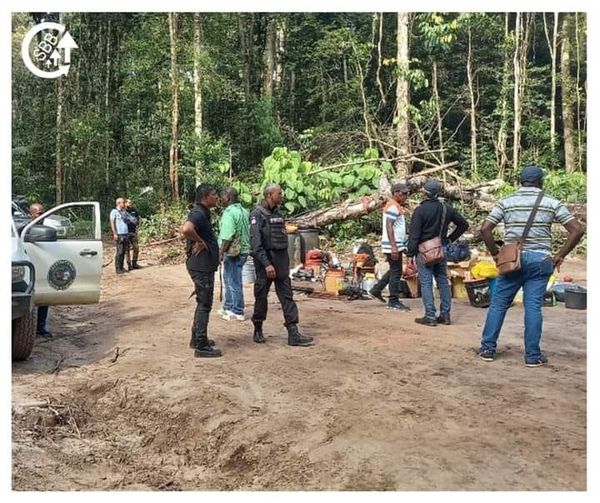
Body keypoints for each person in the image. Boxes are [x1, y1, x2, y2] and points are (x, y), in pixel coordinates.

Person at [478, 166, 584, 367]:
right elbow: (577, 229)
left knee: (499, 304)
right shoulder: (552, 202)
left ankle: (487, 349)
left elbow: (485, 229)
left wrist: (495, 254)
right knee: (533, 307)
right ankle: (532, 356)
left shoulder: (506, 202)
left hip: (512, 261)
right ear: (541, 182)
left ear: (521, 181)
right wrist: (559, 255)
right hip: (541, 260)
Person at [250, 184, 313, 346]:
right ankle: (258, 328)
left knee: (287, 296)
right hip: (266, 262)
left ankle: (293, 332)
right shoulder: (257, 215)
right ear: (270, 195)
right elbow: (256, 245)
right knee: (261, 297)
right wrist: (266, 264)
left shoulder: (278, 213)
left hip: (281, 261)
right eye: (279, 193)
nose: (282, 195)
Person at [407, 179, 469, 327]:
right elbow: (464, 224)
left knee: (427, 282)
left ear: (425, 193)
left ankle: (430, 316)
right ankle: (445, 315)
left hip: (424, 251)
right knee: (443, 281)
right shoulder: (447, 208)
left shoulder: (420, 210)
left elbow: (414, 235)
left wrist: (410, 254)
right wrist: (449, 239)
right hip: (440, 249)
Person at [181, 184, 222, 358]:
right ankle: (201, 346)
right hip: (200, 266)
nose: (217, 197)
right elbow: (186, 229)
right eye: (214, 195)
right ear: (205, 197)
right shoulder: (198, 213)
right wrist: (201, 241)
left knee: (202, 303)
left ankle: (196, 339)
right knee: (205, 304)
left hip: (203, 265)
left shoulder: (203, 212)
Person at [368, 182, 411, 311]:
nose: (406, 196)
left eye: (407, 193)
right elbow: (389, 225)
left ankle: (377, 289)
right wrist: (393, 246)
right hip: (393, 244)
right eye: (403, 193)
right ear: (396, 193)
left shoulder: (395, 205)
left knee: (394, 269)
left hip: (395, 244)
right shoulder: (393, 206)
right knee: (396, 272)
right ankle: (393, 300)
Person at [218, 187, 251, 321]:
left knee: (233, 281)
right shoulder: (244, 211)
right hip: (243, 250)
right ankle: (228, 306)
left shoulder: (229, 213)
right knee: (229, 278)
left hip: (233, 252)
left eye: (222, 197)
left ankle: (237, 310)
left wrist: (220, 252)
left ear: (228, 197)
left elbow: (228, 235)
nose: (220, 199)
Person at [29, 203, 52, 338]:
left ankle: (41, 327)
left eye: (43, 212)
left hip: (43, 268)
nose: (42, 216)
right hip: (27, 269)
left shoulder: (46, 229)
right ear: (30, 214)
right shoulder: (23, 229)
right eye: (38, 213)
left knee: (45, 297)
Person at [109, 198, 131, 275]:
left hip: (125, 233)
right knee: (120, 251)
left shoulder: (124, 211)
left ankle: (121, 267)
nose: (124, 204)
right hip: (119, 234)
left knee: (124, 251)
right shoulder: (114, 212)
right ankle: (118, 268)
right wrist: (115, 233)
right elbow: (112, 222)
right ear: (118, 203)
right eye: (123, 202)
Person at [125, 198, 141, 270]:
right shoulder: (123, 211)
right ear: (125, 203)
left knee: (136, 248)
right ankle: (129, 264)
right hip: (126, 232)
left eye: (131, 203)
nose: (130, 204)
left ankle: (134, 263)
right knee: (127, 249)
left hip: (133, 231)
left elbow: (138, 218)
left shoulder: (134, 210)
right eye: (129, 203)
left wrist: (138, 226)